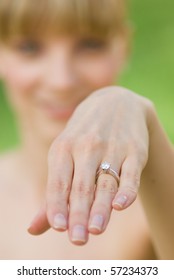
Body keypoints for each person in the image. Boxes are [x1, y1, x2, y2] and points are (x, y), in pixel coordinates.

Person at [0, 0, 172, 260]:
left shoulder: (153, 201)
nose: (62, 81)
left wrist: (140, 113)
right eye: (29, 47)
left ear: (123, 47)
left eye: (90, 44)